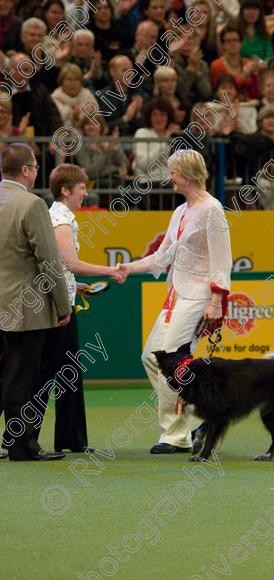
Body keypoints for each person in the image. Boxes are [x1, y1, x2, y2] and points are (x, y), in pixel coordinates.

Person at [118, 149, 232, 454]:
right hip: (177, 295)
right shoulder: (180, 212)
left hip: (198, 297)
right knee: (150, 357)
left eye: (173, 172)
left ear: (188, 173)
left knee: (170, 358)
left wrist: (217, 301)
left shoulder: (213, 209)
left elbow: (222, 259)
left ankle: (175, 435)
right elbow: (163, 255)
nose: (169, 177)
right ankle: (198, 416)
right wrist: (130, 267)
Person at [35, 163, 126, 453]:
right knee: (53, 373)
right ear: (65, 190)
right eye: (82, 188)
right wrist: (110, 270)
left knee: (65, 371)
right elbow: (70, 263)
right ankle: (25, 438)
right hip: (58, 308)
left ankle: (69, 440)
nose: (86, 193)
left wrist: (78, 287)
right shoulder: (61, 219)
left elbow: (61, 268)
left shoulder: (56, 216)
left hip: (63, 301)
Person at [0, 143, 71, 461]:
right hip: (25, 308)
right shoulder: (32, 205)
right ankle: (21, 444)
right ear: (26, 170)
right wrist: (63, 303)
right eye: (36, 167)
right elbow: (50, 261)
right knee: (21, 379)